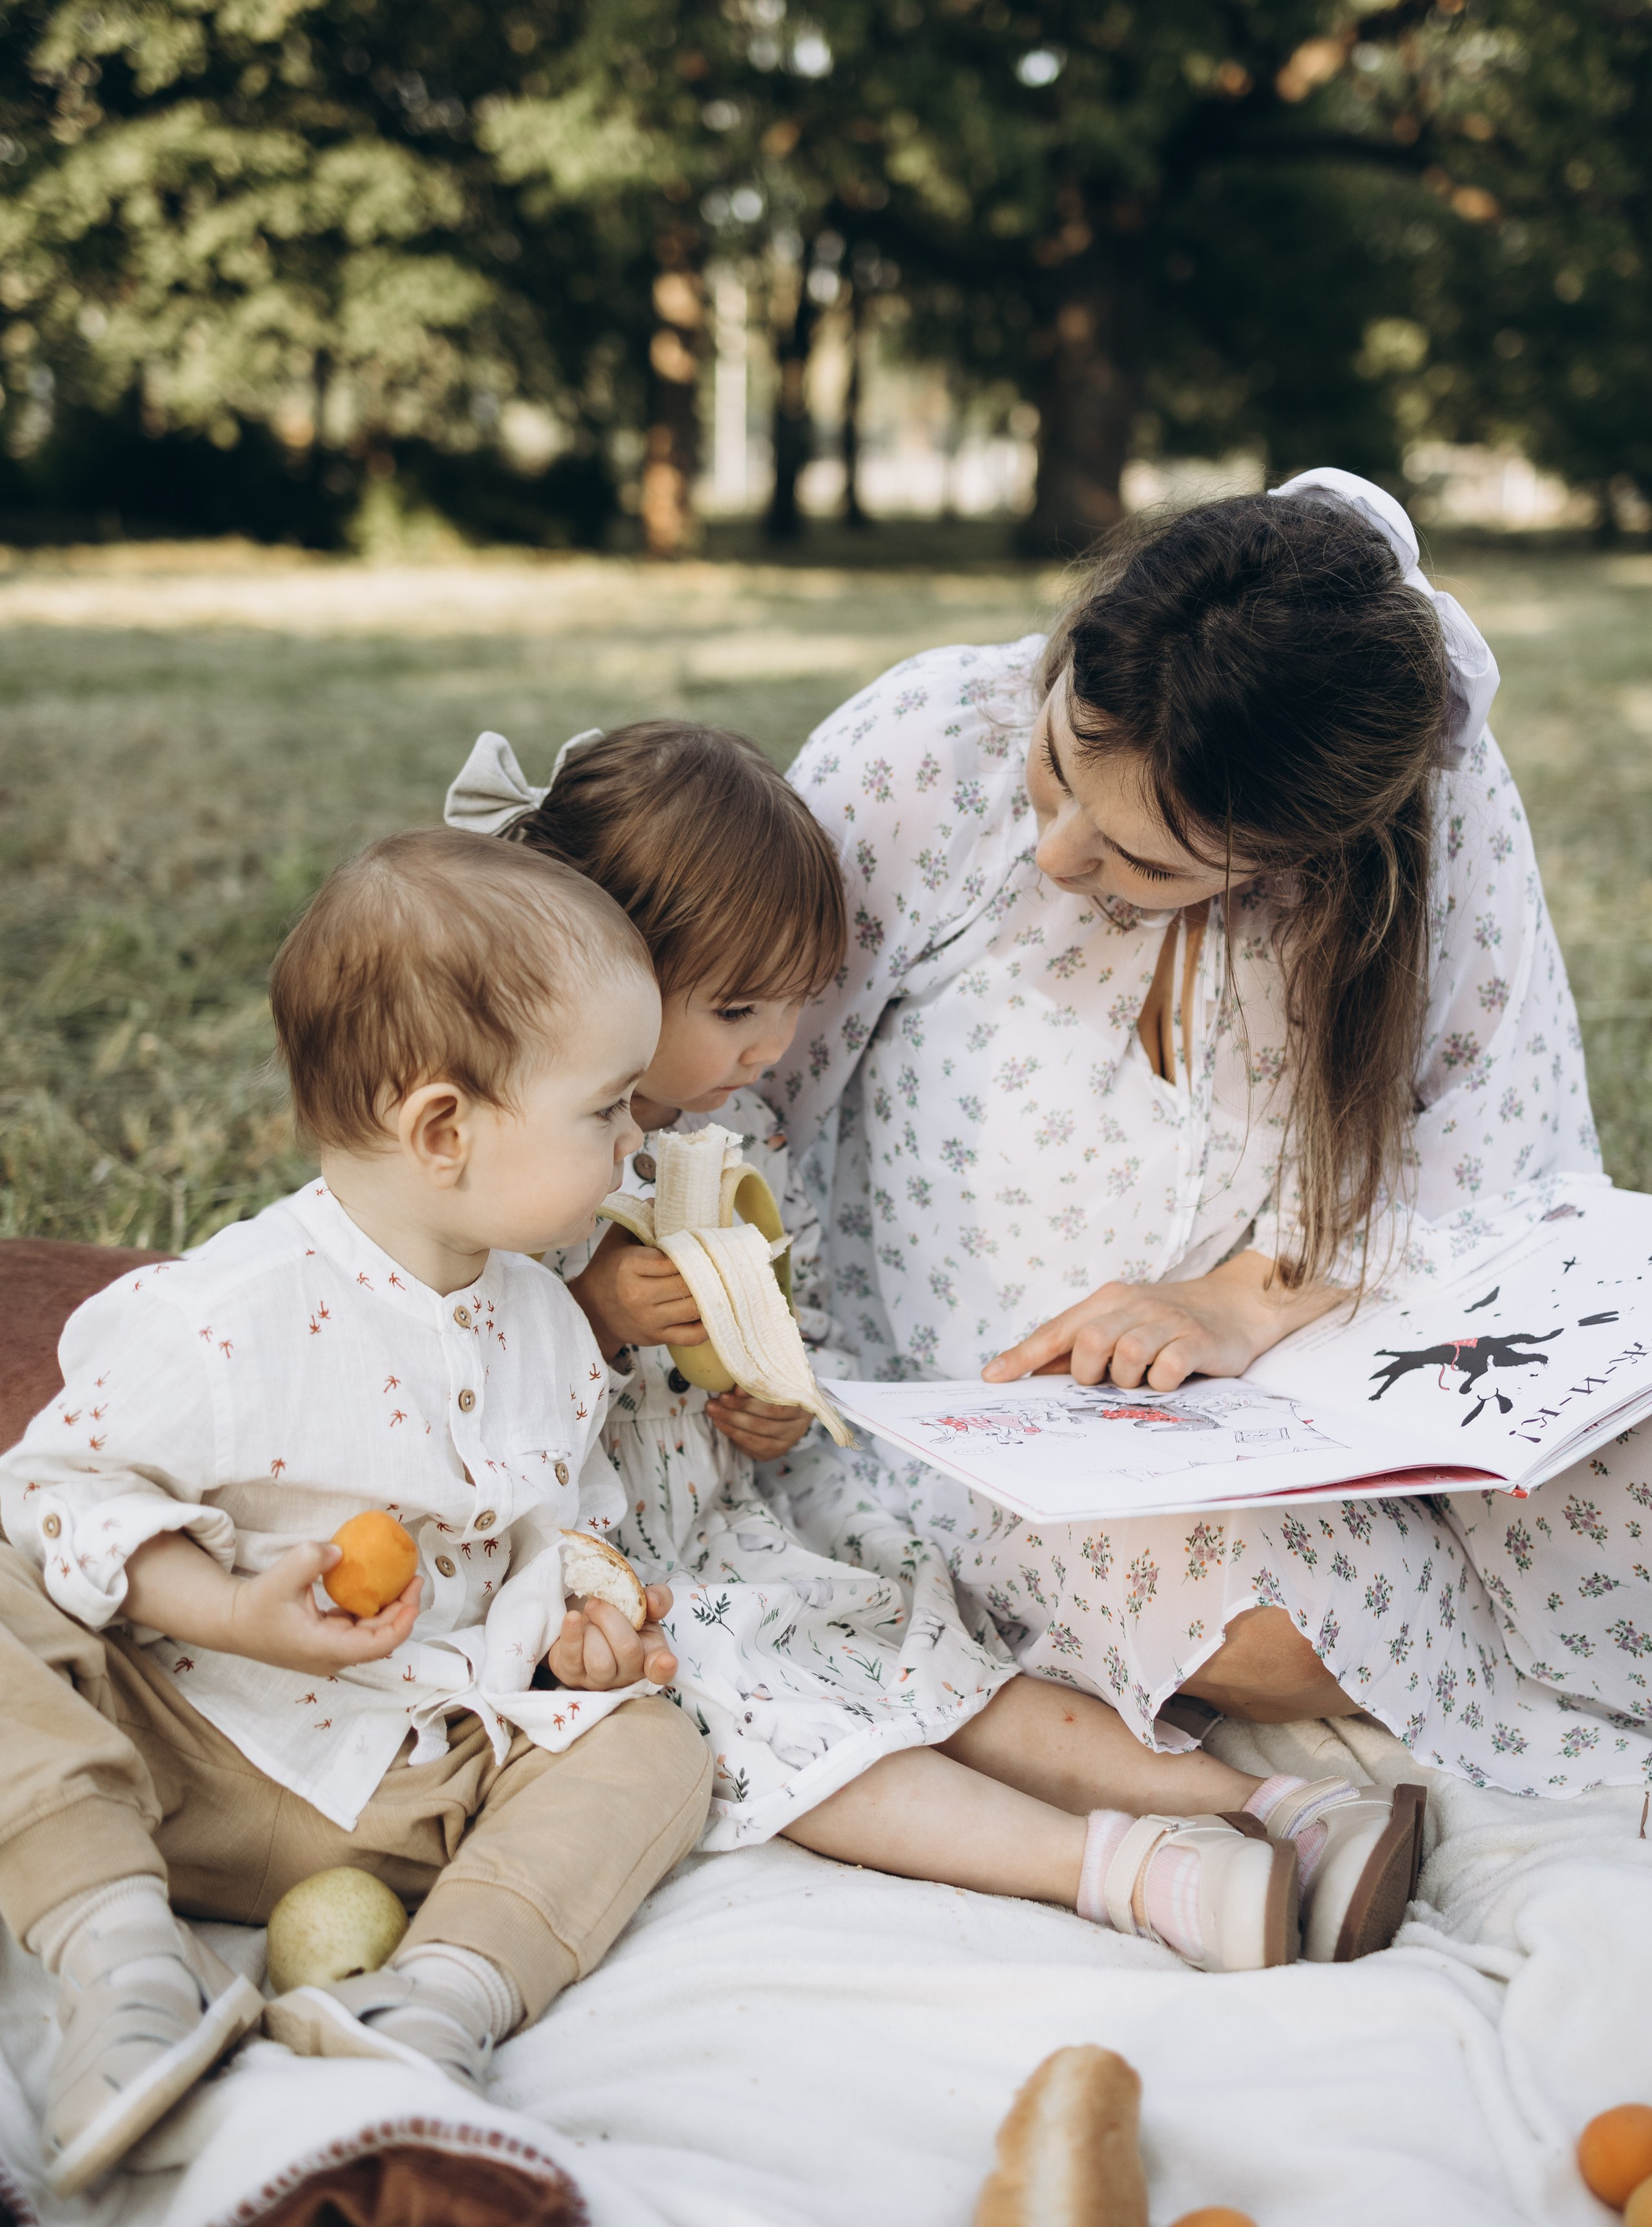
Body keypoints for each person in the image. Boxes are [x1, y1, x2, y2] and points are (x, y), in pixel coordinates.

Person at [775, 469, 1652, 1795]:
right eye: (1058, 763)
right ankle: (1486, 1634)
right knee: (1283, 1631)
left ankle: (1512, 1604)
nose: (1060, 854)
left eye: (1149, 863)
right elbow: (743, 1078)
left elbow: (1501, 1156)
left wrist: (1247, 1300)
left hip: (1347, 1357)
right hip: (1009, 1427)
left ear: (1306, 854)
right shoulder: (925, 749)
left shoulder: (1426, 808)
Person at [440, 725, 1427, 1989]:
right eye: (736, 1011)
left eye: (792, 1005)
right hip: (598, 1572)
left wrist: (767, 1397)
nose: (771, 1046)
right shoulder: (515, 1152)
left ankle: (1268, 1809)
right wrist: (594, 1311)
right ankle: (1132, 1871)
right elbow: (451, 1364)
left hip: (728, 1526)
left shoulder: (732, 1134)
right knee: (778, 1721)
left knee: (926, 1654)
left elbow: (763, 1326)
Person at [0, 830, 711, 2196]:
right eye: (608, 1111)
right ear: (444, 1130)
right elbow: (54, 1492)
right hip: (179, 1744)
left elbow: (561, 1524)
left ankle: (435, 2001)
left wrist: (585, 1623)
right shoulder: (227, 1318)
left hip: (417, 1784)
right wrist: (222, 1604)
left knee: (656, 1743)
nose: (637, 1143)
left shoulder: (545, 1328)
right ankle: (120, 1956)